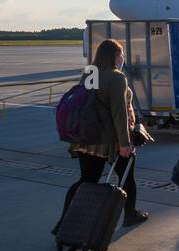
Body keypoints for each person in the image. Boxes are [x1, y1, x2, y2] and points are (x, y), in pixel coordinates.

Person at [55, 38, 148, 237]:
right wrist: (124, 143)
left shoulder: (91, 72)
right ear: (115, 56)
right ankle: (130, 214)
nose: (122, 58)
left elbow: (84, 102)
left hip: (87, 138)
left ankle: (64, 221)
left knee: (86, 180)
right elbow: (119, 113)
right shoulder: (117, 78)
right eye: (121, 54)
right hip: (110, 140)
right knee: (127, 177)